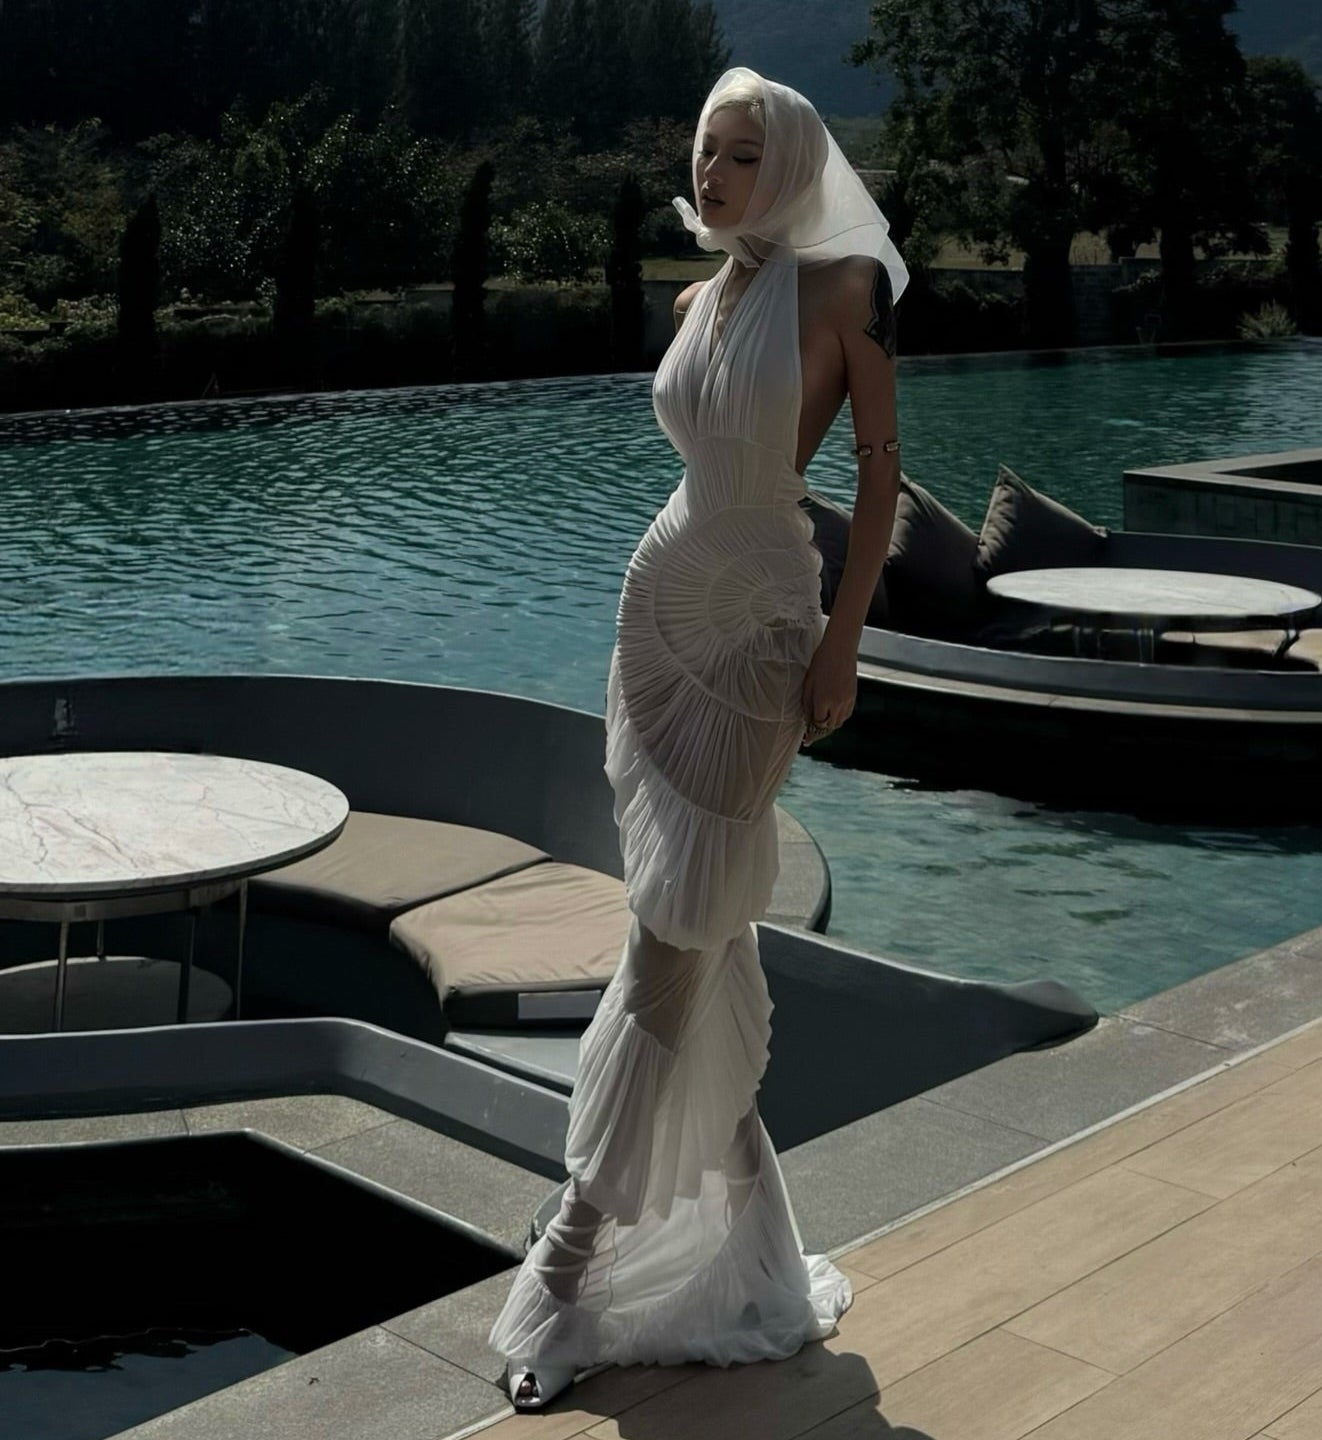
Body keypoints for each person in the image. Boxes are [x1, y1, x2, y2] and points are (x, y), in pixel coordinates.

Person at [487, 65, 907, 1410]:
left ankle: (565, 1268)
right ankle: (749, 1257)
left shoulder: (844, 293)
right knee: (697, 927)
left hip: (762, 632)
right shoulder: (696, 298)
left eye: (742, 155)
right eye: (707, 153)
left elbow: (882, 478)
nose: (717, 175)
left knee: (669, 931)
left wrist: (844, 640)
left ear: (786, 164)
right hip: (659, 612)